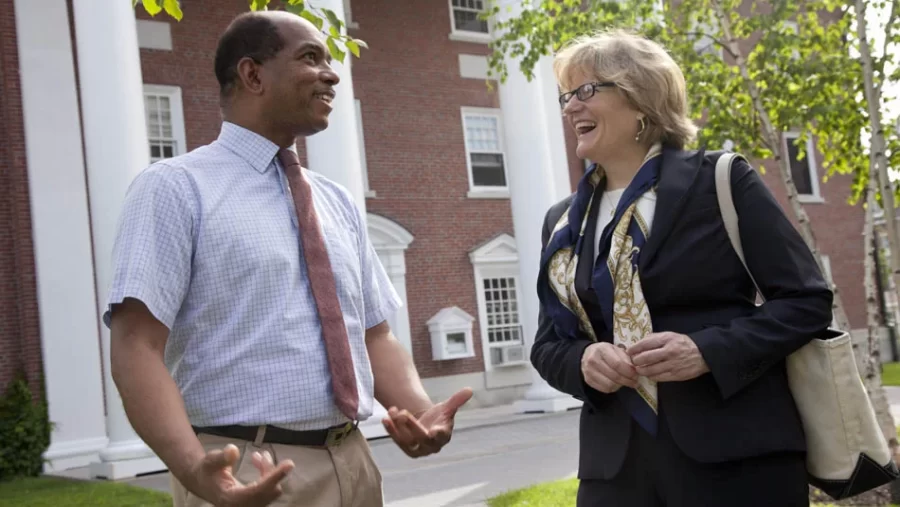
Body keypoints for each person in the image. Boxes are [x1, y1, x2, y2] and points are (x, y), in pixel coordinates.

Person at [104, 10, 472, 507]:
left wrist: (420, 412)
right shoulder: (174, 188)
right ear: (252, 74)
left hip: (354, 462)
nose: (332, 73)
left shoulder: (336, 200)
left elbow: (372, 333)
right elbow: (136, 346)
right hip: (243, 470)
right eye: (310, 58)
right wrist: (194, 467)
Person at [532, 29, 833, 507]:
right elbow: (548, 344)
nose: (570, 107)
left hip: (738, 461)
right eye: (566, 95)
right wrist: (582, 362)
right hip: (614, 470)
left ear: (641, 100)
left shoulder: (721, 181)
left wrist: (707, 350)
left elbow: (807, 301)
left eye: (587, 91)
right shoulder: (562, 222)